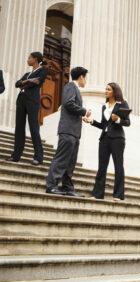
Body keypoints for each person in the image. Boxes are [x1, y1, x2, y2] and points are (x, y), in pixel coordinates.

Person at [46, 66, 91, 196]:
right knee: (61, 159)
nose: (86, 81)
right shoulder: (71, 87)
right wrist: (84, 111)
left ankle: (67, 187)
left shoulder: (74, 89)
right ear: (81, 76)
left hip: (74, 132)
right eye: (85, 78)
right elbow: (69, 104)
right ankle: (51, 185)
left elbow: (71, 106)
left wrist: (81, 115)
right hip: (67, 130)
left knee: (70, 162)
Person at [85, 83, 131, 201]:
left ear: (114, 91)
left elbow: (127, 122)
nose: (105, 91)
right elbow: (103, 125)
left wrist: (118, 120)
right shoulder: (104, 106)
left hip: (117, 139)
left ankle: (118, 195)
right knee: (102, 167)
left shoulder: (122, 104)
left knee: (118, 166)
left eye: (108, 89)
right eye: (105, 89)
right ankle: (97, 194)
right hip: (104, 138)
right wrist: (91, 121)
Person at [6, 52, 47, 165]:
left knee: (34, 128)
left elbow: (38, 81)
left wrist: (24, 83)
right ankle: (15, 156)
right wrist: (27, 81)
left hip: (32, 101)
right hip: (21, 100)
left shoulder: (43, 70)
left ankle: (38, 157)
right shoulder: (27, 74)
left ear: (35, 59)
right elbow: (17, 84)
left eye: (29, 58)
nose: (27, 59)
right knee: (19, 128)